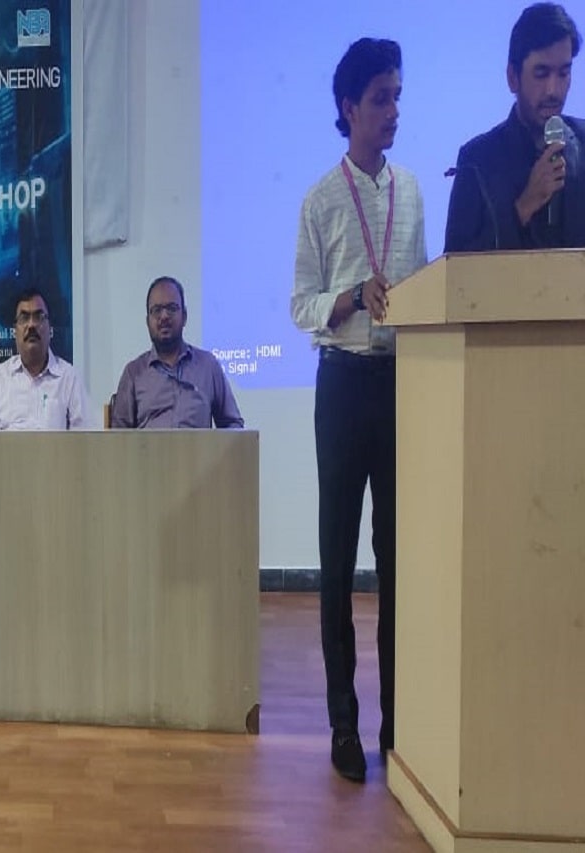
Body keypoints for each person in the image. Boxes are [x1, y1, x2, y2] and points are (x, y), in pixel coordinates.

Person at [291, 38, 427, 783]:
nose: (394, 110)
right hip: (342, 384)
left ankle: (397, 724)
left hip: (400, 382)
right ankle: (344, 726)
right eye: (380, 98)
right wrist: (348, 297)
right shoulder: (319, 199)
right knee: (338, 558)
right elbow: (300, 305)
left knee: (399, 560)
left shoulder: (412, 191)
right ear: (348, 108)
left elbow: (424, 282)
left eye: (397, 96)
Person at [445, 3, 585, 251]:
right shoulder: (477, 161)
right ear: (513, 77)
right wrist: (523, 207)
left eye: (563, 74)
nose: (553, 90)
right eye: (541, 74)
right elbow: (454, 267)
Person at [110, 276, 244, 429]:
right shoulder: (133, 373)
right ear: (147, 321)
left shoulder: (208, 366)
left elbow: (233, 425)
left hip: (199, 446)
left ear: (184, 317)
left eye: (172, 308)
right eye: (157, 310)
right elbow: (118, 436)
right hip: (149, 446)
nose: (164, 316)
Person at [0, 288, 91, 430]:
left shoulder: (69, 379)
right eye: (24, 318)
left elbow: (85, 438)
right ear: (15, 331)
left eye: (39, 317)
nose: (31, 325)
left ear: (49, 328)